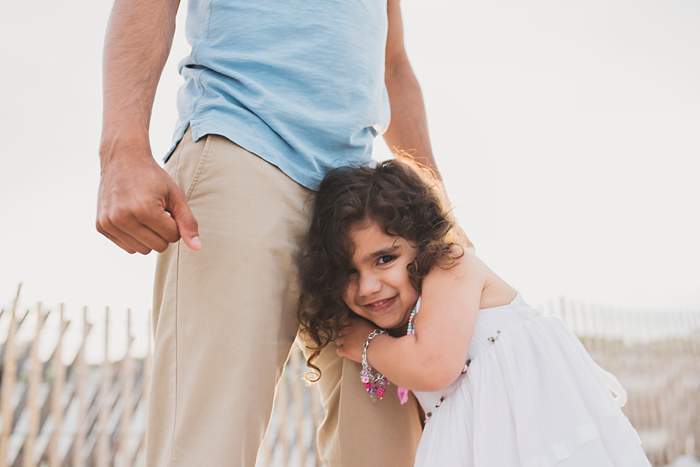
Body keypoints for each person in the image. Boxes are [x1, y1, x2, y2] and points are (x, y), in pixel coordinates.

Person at [95, 0, 457, 465]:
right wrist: (121, 148)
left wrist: (438, 211)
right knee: (211, 441)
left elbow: (393, 64)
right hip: (244, 144)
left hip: (358, 201)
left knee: (384, 447)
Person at [298, 160, 652, 467]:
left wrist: (366, 343)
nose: (368, 287)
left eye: (384, 259)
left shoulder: (450, 266)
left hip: (537, 430)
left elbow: (434, 365)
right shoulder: (408, 325)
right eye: (349, 272)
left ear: (421, 243)